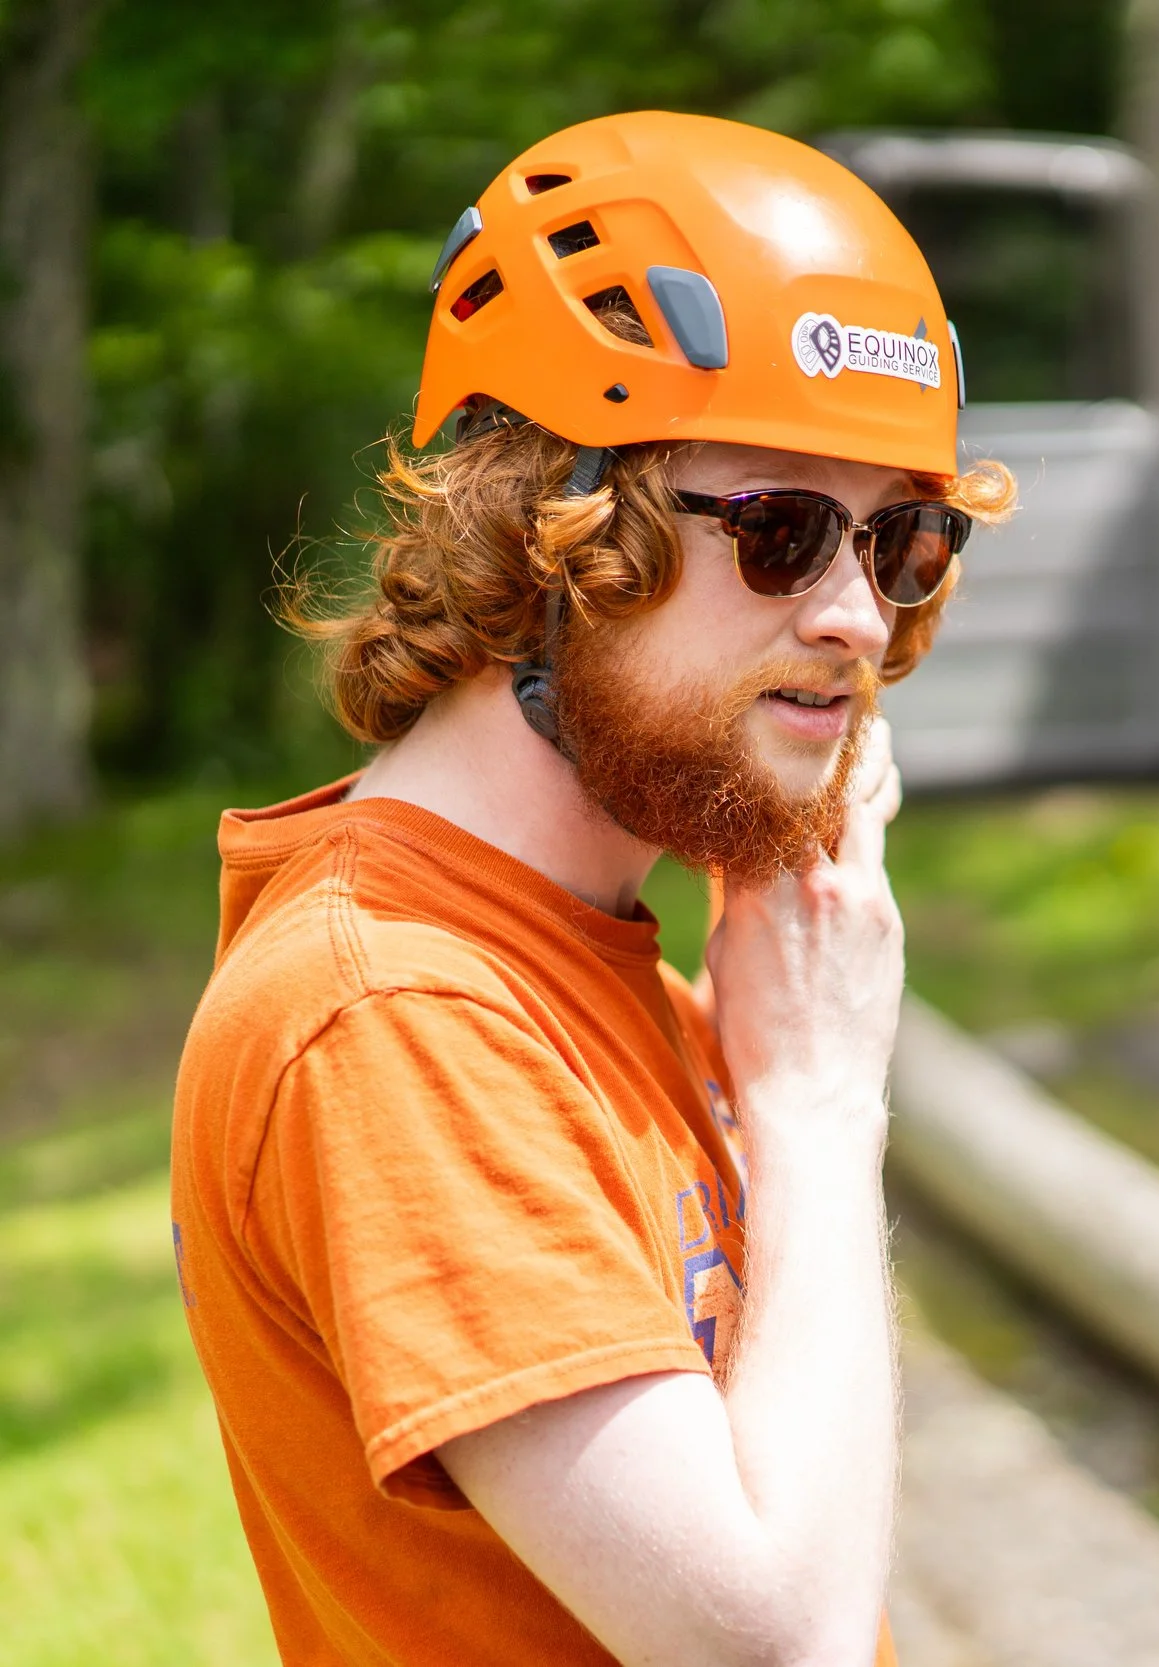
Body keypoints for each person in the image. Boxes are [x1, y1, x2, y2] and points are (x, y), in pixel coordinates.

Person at [169, 111, 1012, 1666]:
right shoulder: (399, 1011)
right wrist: (820, 1103)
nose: (855, 615)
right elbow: (773, 1644)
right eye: (779, 528)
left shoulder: (594, 960)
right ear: (543, 530)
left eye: (899, 538)